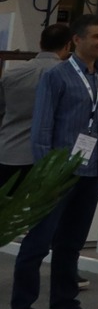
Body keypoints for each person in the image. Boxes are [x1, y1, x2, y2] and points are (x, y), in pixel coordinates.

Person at [9, 13, 98, 309]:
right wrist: (46, 173)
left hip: (90, 171)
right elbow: (42, 128)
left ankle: (65, 305)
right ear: (77, 40)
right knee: (38, 243)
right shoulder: (56, 76)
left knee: (71, 243)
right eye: (97, 36)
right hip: (58, 172)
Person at [0, 23, 72, 189]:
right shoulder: (69, 77)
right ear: (68, 46)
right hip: (48, 160)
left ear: (40, 43)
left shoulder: (11, 74)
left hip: (8, 152)